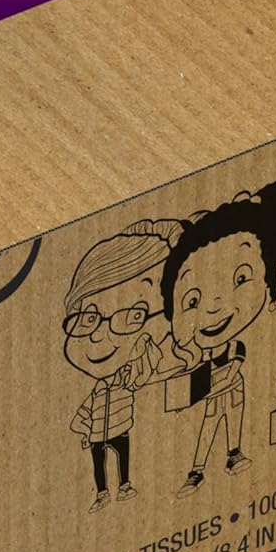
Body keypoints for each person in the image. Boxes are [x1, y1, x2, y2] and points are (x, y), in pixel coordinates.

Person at [160, 183, 276, 497]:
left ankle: (233, 453)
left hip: (229, 388)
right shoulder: (202, 353)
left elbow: (232, 369)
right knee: (208, 426)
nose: (213, 307)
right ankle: (196, 470)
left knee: (233, 420)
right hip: (216, 392)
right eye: (192, 301)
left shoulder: (235, 346)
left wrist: (203, 386)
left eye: (240, 278)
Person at [62, 219, 187, 514]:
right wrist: (84, 431)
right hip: (97, 433)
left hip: (120, 429)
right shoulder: (101, 387)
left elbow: (148, 371)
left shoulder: (134, 373)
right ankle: (103, 491)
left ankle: (125, 484)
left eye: (134, 315)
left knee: (122, 457)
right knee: (99, 463)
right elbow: (85, 412)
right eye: (89, 318)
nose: (97, 334)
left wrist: (147, 350)